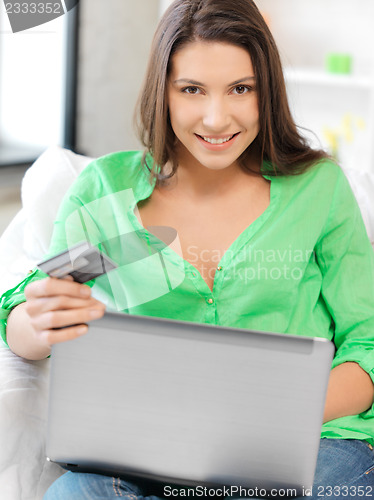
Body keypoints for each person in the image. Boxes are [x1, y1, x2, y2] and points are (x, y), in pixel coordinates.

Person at [1, 0, 374, 498]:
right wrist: (39, 320)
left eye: (241, 89)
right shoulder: (105, 195)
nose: (216, 119)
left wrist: (272, 412)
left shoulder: (318, 189)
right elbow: (27, 310)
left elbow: (366, 342)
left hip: (310, 446)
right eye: (192, 89)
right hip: (140, 455)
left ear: (268, 91)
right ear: (163, 92)